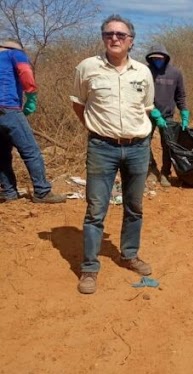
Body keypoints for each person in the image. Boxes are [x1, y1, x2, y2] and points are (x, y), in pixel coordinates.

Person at [70, 14, 157, 294]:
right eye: (109, 34)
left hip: (138, 147)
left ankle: (129, 254)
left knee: (135, 207)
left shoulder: (143, 72)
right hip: (101, 148)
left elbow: (146, 107)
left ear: (131, 41)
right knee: (96, 210)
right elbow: (79, 104)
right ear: (103, 37)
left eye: (121, 35)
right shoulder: (87, 68)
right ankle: (89, 268)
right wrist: (97, 129)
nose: (115, 38)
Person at [0, 40, 66, 204]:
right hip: (9, 108)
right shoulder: (14, 53)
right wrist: (31, 96)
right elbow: (25, 71)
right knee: (31, 151)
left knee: (1, 154)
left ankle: (9, 193)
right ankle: (42, 192)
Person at [145, 44, 189, 187]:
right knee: (143, 143)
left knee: (167, 145)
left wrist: (184, 113)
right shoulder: (145, 72)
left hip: (167, 115)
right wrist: (152, 110)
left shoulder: (175, 73)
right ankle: (151, 169)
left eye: (160, 58)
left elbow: (180, 95)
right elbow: (141, 94)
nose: (157, 60)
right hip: (148, 114)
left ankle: (165, 172)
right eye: (154, 59)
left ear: (165, 58)